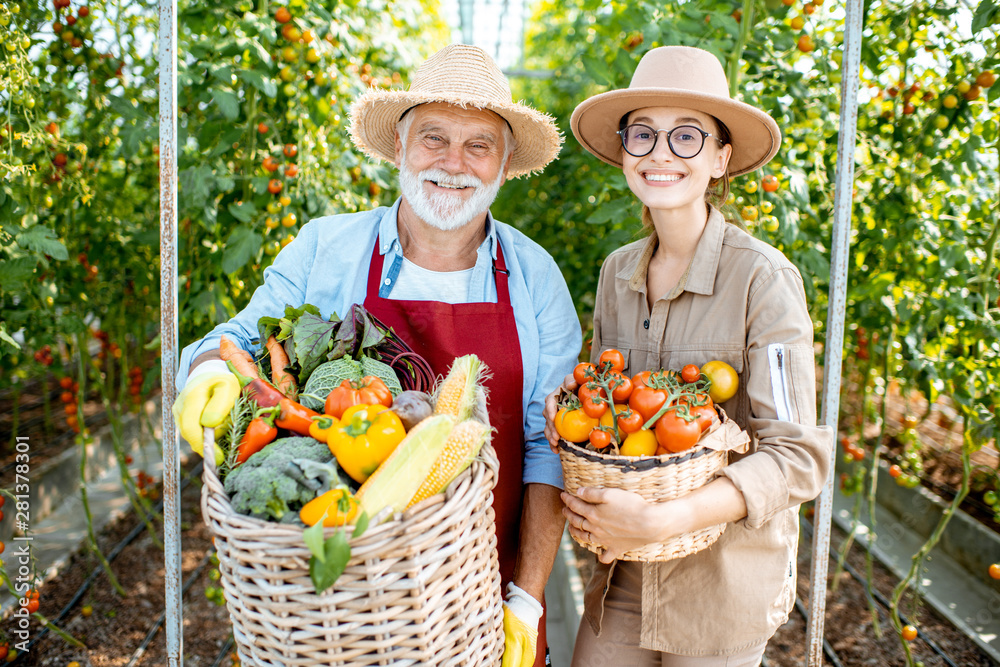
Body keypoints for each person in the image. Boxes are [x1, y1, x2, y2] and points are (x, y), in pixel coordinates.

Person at [173, 44, 581, 667]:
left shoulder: (534, 276)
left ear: (503, 166)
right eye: (433, 138)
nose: (453, 163)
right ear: (398, 147)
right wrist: (206, 367)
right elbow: (242, 335)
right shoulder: (325, 249)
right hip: (336, 599)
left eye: (479, 145)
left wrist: (524, 601)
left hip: (480, 593)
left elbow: (546, 450)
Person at [543, 46, 834, 666]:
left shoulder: (763, 279)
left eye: (686, 136)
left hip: (720, 580)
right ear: (624, 151)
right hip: (625, 568)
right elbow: (610, 409)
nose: (661, 154)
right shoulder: (617, 272)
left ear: (721, 158)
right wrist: (573, 422)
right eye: (643, 135)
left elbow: (799, 456)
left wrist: (667, 519)